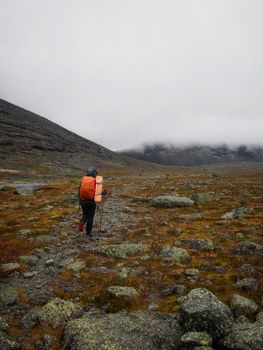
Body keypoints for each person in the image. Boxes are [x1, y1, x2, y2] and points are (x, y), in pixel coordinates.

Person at [78, 167, 106, 236]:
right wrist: (104, 193)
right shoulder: (95, 181)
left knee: (85, 214)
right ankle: (88, 233)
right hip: (91, 202)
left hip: (83, 201)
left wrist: (80, 201)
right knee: (90, 217)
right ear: (94, 174)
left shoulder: (83, 180)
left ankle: (82, 222)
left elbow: (79, 191)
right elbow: (98, 192)